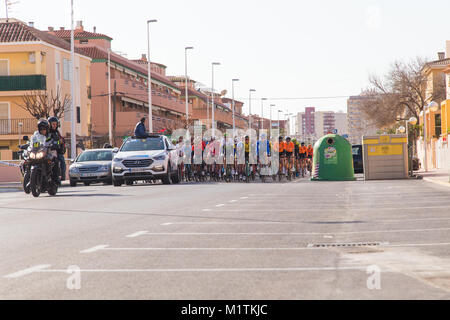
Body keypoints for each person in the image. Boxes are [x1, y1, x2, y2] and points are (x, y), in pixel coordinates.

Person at [48, 116, 66, 182]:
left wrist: (59, 142)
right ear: (49, 124)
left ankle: (62, 175)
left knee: (61, 159)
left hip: (55, 150)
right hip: (45, 150)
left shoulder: (57, 132)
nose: (54, 126)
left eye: (56, 124)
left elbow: (60, 140)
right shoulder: (45, 132)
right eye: (53, 124)